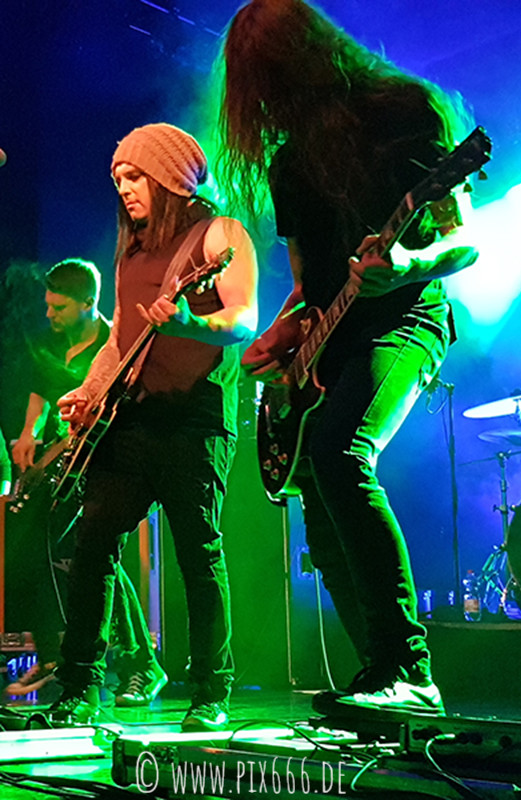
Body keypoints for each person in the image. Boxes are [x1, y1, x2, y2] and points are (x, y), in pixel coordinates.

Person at [217, 0, 479, 716]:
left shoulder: (404, 112)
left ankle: (409, 668)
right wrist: (282, 333)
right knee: (319, 498)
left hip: (408, 316)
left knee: (339, 453)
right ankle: (382, 683)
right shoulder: (289, 162)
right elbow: (309, 287)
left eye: (265, 81)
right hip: (333, 339)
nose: (261, 103)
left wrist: (406, 265)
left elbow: (464, 240)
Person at [50, 122, 258, 731]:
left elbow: (244, 319)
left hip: (197, 417)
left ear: (170, 178)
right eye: (118, 179)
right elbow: (121, 337)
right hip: (134, 417)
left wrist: (190, 325)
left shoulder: (220, 234)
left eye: (135, 176)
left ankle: (210, 692)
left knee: (198, 551)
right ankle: (79, 687)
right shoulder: (132, 250)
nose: (124, 189)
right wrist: (88, 392)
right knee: (93, 542)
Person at [8, 259, 167, 706]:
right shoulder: (51, 342)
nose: (49, 315)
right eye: (48, 305)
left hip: (103, 465)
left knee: (94, 556)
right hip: (62, 466)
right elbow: (40, 390)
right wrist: (29, 433)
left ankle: (139, 662)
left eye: (58, 307)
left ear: (88, 303)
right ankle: (59, 655)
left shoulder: (111, 342)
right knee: (45, 554)